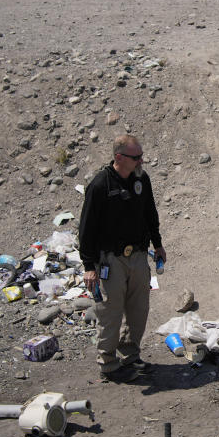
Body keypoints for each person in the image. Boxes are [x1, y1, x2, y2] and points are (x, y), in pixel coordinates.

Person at [78, 134, 167, 383]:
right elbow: (86, 229)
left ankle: (130, 355)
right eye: (136, 157)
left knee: (139, 309)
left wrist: (158, 244)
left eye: (141, 155)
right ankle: (108, 364)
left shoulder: (141, 179)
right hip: (110, 260)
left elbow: (150, 212)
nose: (141, 160)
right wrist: (89, 266)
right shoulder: (100, 185)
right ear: (119, 157)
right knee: (110, 312)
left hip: (138, 254)